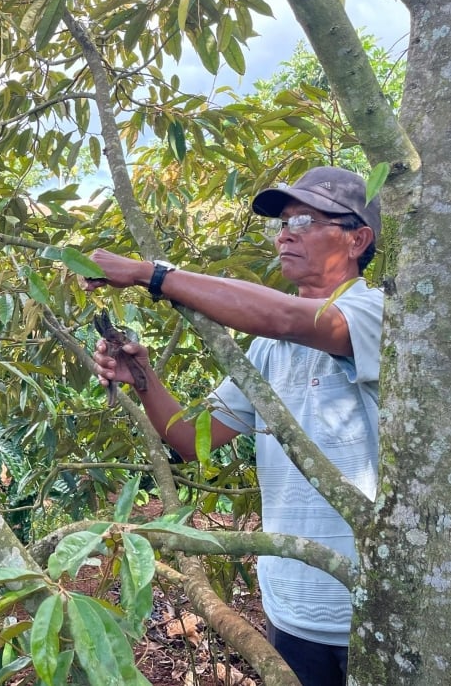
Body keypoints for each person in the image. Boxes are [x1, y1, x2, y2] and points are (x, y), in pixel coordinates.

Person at [82, 166, 382, 686]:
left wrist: (153, 275)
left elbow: (290, 318)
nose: (286, 233)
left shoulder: (374, 312)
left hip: (373, 607)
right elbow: (189, 439)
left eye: (307, 220)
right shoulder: (267, 351)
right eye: (283, 223)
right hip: (291, 606)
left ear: (357, 239)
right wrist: (142, 376)